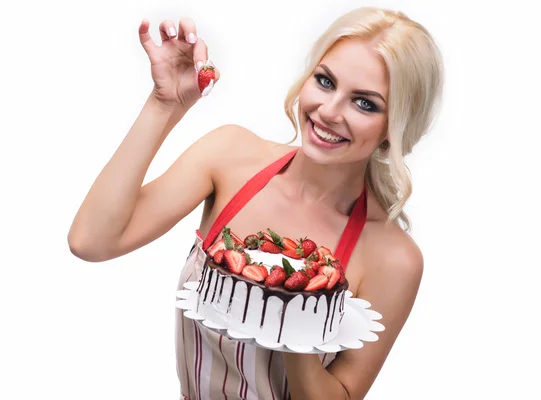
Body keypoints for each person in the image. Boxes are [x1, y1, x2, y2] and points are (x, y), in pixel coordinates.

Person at [68, 6, 443, 400]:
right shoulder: (230, 157)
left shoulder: (393, 257)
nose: (329, 112)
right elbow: (91, 241)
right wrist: (165, 104)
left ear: (395, 127)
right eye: (325, 81)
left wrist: (299, 317)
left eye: (365, 103)